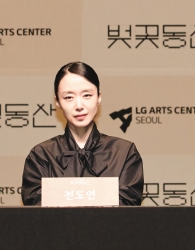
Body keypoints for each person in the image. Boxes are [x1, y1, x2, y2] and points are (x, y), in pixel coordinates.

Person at [22, 62, 143, 206]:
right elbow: (35, 213)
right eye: (69, 97)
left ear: (98, 97)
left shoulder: (124, 153)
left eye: (87, 95)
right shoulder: (41, 155)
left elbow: (127, 211)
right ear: (58, 102)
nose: (79, 106)